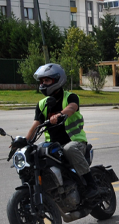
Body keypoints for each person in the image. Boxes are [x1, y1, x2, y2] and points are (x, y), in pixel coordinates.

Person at [25, 63, 100, 201]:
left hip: (75, 142)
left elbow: (72, 108)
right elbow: (36, 124)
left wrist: (59, 114)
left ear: (57, 80)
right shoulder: (43, 104)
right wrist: (24, 142)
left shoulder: (70, 97)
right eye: (41, 81)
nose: (43, 84)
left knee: (69, 148)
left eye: (47, 80)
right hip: (53, 145)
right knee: (35, 154)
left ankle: (91, 185)